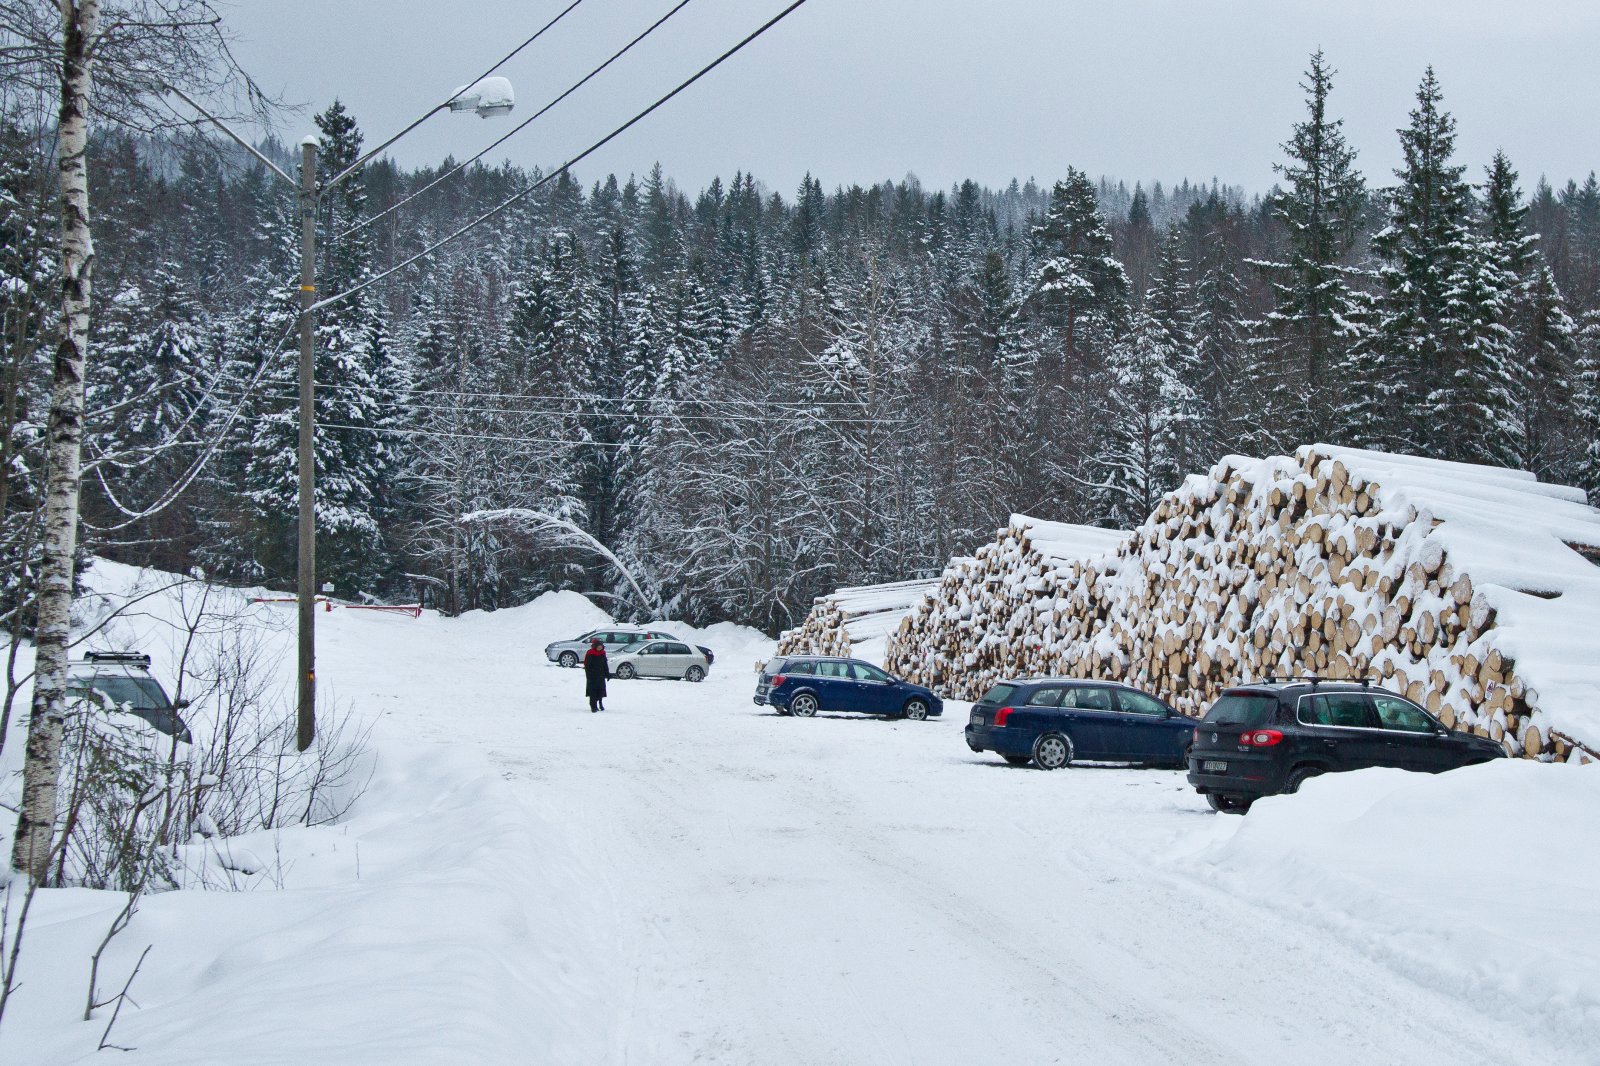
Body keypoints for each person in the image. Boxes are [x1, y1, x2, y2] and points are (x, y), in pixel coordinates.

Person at [583, 638, 608, 713]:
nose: (600, 647)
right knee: (593, 692)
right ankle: (593, 706)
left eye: (601, 646)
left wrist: (607, 673)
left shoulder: (603, 653)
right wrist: (588, 675)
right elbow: (587, 666)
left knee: (601, 691)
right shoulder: (590, 653)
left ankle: (600, 703)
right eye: (599, 646)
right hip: (592, 676)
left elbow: (605, 664)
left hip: (601, 675)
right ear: (595, 646)